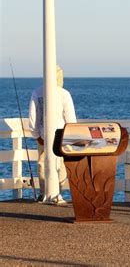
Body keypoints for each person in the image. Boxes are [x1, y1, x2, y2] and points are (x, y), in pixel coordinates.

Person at [28, 65, 76, 205]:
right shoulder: (64, 94)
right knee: (60, 166)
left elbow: (33, 118)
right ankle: (57, 193)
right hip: (62, 137)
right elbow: (71, 120)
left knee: (43, 164)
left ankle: (43, 193)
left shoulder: (37, 93)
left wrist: (37, 136)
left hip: (43, 136)